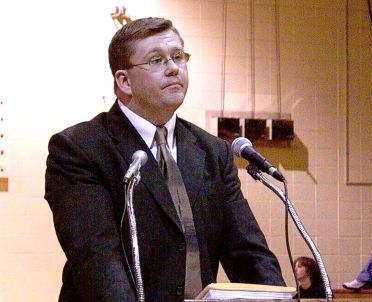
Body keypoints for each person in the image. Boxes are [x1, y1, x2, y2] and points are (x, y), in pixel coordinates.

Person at [45, 17, 286, 302]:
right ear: (124, 81)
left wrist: (276, 297)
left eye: (178, 57)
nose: (174, 68)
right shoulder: (80, 148)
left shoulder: (213, 152)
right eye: (157, 60)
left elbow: (248, 253)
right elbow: (96, 258)